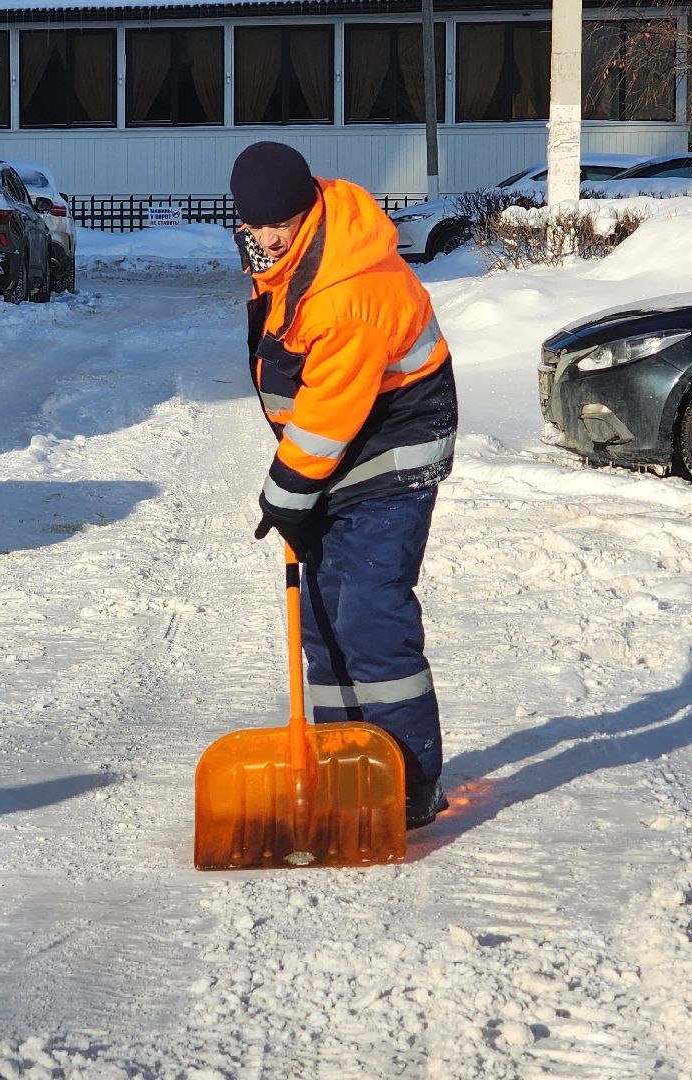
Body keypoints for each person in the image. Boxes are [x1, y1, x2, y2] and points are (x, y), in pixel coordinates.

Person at [230, 141, 459, 829]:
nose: (269, 237)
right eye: (256, 225)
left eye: (281, 223)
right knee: (323, 616)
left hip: (392, 442)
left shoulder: (347, 289)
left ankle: (409, 778)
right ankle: (341, 760)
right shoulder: (288, 251)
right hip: (342, 447)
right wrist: (299, 494)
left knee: (366, 604)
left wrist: (287, 495)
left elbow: (332, 412)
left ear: (307, 207)